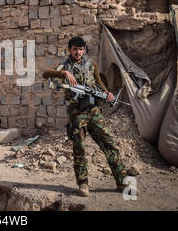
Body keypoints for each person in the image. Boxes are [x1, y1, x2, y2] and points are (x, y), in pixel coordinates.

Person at [43, 37, 132, 197]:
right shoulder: (65, 65)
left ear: (84, 50)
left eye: (81, 49)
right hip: (77, 114)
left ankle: (123, 183)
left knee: (109, 144)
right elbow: (45, 73)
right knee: (80, 150)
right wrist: (63, 72)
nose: (78, 52)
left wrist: (107, 93)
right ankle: (83, 184)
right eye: (75, 49)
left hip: (94, 112)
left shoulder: (91, 64)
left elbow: (98, 83)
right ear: (70, 49)